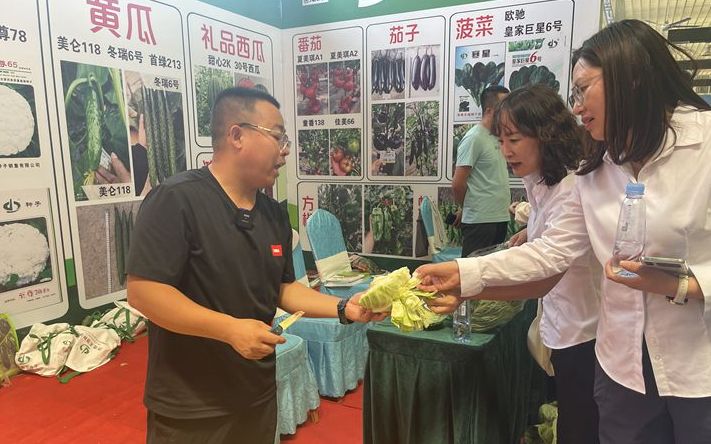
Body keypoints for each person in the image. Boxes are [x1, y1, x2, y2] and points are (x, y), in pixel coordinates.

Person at [417, 20, 711, 443]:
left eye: (582, 90)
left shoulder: (702, 144)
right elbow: (553, 253)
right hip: (621, 366)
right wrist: (464, 278)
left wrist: (682, 284)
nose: (575, 107)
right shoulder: (595, 168)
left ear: (630, 78)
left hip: (697, 368)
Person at [126, 87, 384, 444]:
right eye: (277, 136)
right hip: (191, 406)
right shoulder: (176, 199)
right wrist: (229, 330)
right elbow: (144, 293)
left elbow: (283, 289)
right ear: (237, 136)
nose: (285, 150)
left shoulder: (273, 214)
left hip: (257, 394)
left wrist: (344, 308)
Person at [428, 85, 601, 444]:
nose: (506, 151)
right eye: (501, 141)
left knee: (581, 427)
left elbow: (546, 263)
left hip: (584, 336)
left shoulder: (573, 188)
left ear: (546, 135)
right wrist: (465, 290)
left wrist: (462, 274)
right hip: (564, 329)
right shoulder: (543, 183)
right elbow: (542, 277)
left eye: (514, 140)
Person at [452, 85, 511, 257]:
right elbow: (458, 184)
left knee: (494, 270)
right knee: (472, 270)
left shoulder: (498, 137)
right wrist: (467, 208)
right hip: (480, 221)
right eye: (505, 107)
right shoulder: (474, 138)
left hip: (500, 217)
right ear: (489, 111)